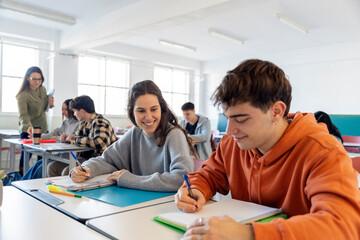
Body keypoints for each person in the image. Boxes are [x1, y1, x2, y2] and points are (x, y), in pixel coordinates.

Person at [175, 59, 360, 239]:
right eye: (227, 117)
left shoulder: (323, 151)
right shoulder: (233, 143)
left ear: (276, 111)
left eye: (241, 119)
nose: (230, 130)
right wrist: (196, 189)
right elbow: (209, 175)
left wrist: (248, 234)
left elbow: (343, 225)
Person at [70, 80, 196, 192]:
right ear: (132, 112)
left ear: (161, 109)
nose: (148, 117)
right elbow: (107, 160)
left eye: (154, 109)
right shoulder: (134, 133)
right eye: (141, 111)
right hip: (138, 203)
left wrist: (130, 179)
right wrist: (85, 169)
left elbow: (181, 178)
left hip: (166, 206)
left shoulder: (174, 134)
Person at [47, 95, 117, 177]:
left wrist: (73, 139)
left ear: (82, 111)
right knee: (52, 167)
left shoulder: (100, 122)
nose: (74, 114)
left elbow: (99, 142)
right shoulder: (83, 124)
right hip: (85, 159)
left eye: (75, 111)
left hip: (101, 161)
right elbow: (75, 138)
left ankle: (70, 189)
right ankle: (56, 189)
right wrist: (67, 139)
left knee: (68, 171)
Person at [20, 99, 80, 180]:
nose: (63, 112)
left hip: (69, 155)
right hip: (61, 154)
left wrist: (59, 138)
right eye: (62, 109)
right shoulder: (65, 122)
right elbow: (53, 134)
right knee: (38, 164)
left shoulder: (78, 124)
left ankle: (29, 184)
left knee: (42, 167)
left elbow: (71, 138)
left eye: (65, 109)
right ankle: (23, 182)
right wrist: (38, 136)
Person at [16, 66, 54, 175]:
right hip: (28, 128)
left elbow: (44, 108)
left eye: (40, 79)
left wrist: (50, 104)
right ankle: (22, 177)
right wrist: (29, 127)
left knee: (42, 155)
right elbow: (23, 115)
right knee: (26, 155)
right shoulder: (23, 95)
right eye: (34, 79)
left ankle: (39, 176)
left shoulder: (43, 89)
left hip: (42, 127)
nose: (37, 82)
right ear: (28, 78)